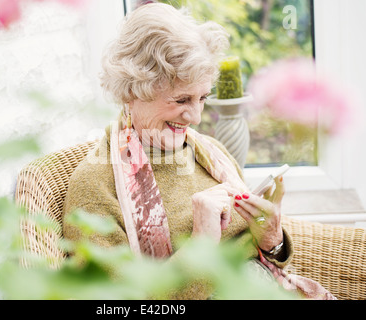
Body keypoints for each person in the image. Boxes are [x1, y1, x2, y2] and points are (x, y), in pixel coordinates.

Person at [62, 2, 334, 300]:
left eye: (202, 97)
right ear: (132, 92)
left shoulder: (211, 152)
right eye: (180, 101)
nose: (195, 118)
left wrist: (273, 238)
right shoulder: (95, 187)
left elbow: (270, 259)